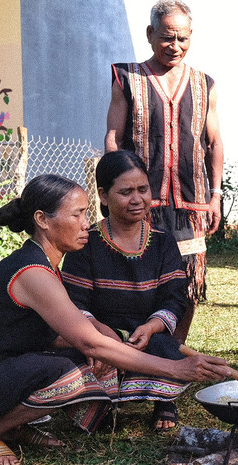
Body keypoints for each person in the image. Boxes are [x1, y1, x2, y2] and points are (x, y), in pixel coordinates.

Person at [0, 174, 229, 465]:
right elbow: (88, 341)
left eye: (86, 213)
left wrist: (107, 337)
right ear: (43, 219)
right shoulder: (33, 273)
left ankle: (8, 426)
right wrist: (176, 368)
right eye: (78, 214)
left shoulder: (45, 264)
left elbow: (63, 333)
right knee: (73, 371)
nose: (87, 224)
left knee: (90, 359)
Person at [105, 0, 223, 343]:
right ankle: (135, 347)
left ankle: (174, 348)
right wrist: (118, 191)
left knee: (186, 280)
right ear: (150, 34)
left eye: (183, 39)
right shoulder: (126, 77)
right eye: (168, 38)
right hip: (140, 202)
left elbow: (214, 144)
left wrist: (215, 196)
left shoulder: (205, 84)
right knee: (136, 279)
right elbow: (113, 139)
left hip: (190, 203)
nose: (176, 46)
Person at [62, 151, 192, 431]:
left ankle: (163, 399)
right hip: (99, 338)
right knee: (70, 364)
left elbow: (175, 295)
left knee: (170, 347)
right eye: (126, 191)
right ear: (103, 195)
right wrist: (100, 337)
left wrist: (152, 327)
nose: (137, 199)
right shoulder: (87, 243)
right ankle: (103, 402)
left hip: (148, 335)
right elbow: (73, 303)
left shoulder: (162, 241)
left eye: (143, 189)